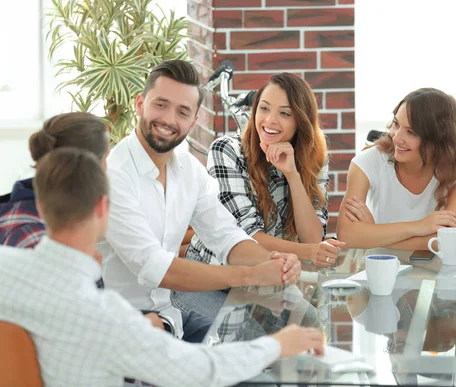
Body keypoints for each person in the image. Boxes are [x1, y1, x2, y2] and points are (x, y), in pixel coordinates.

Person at [0, 148, 324, 387]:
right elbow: (201, 371)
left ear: (41, 205)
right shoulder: (107, 318)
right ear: (103, 207)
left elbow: (225, 233)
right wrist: (277, 345)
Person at [97, 60, 301, 343]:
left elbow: (225, 235)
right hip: (123, 332)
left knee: (266, 351)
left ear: (193, 122)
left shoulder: (188, 168)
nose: (169, 119)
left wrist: (276, 262)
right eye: (161, 105)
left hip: (171, 319)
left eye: (182, 112)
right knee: (252, 362)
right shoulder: (113, 176)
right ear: (140, 103)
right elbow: (157, 268)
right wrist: (248, 274)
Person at [174, 73, 344, 316]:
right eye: (264, 108)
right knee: (240, 344)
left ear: (301, 121)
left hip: (268, 282)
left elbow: (312, 237)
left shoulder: (313, 158)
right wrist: (310, 253)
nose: (270, 121)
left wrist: (293, 174)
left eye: (285, 113)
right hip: (213, 283)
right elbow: (247, 237)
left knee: (314, 326)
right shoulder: (226, 151)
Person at [337, 88, 456, 249]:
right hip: (380, 270)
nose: (397, 138)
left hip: (437, 273)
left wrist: (374, 234)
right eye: (396, 124)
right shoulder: (368, 162)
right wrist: (419, 226)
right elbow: (347, 235)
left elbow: (446, 242)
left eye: (411, 132)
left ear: (437, 138)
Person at [0, 112, 109, 248]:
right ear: (85, 166)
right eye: (105, 157)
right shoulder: (35, 241)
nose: (107, 167)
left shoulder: (49, 212)